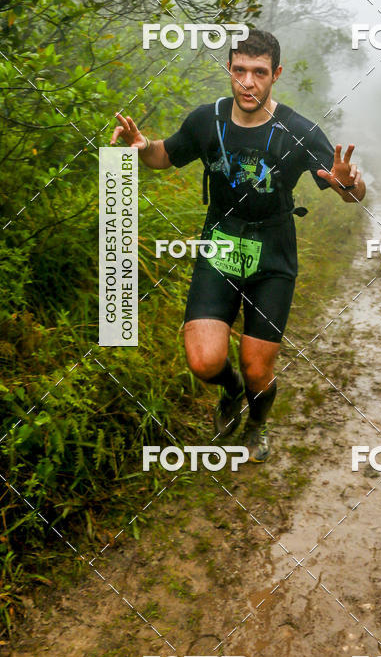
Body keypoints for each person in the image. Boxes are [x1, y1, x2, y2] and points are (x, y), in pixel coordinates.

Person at [110, 29, 366, 462]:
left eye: (259, 72)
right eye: (240, 70)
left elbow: (350, 191)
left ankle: (257, 424)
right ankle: (230, 392)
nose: (248, 82)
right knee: (205, 361)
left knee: (257, 367)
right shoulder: (205, 121)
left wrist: (351, 183)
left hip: (274, 250)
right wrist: (141, 146)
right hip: (221, 243)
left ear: (275, 75)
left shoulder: (299, 131)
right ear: (229, 69)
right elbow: (164, 155)